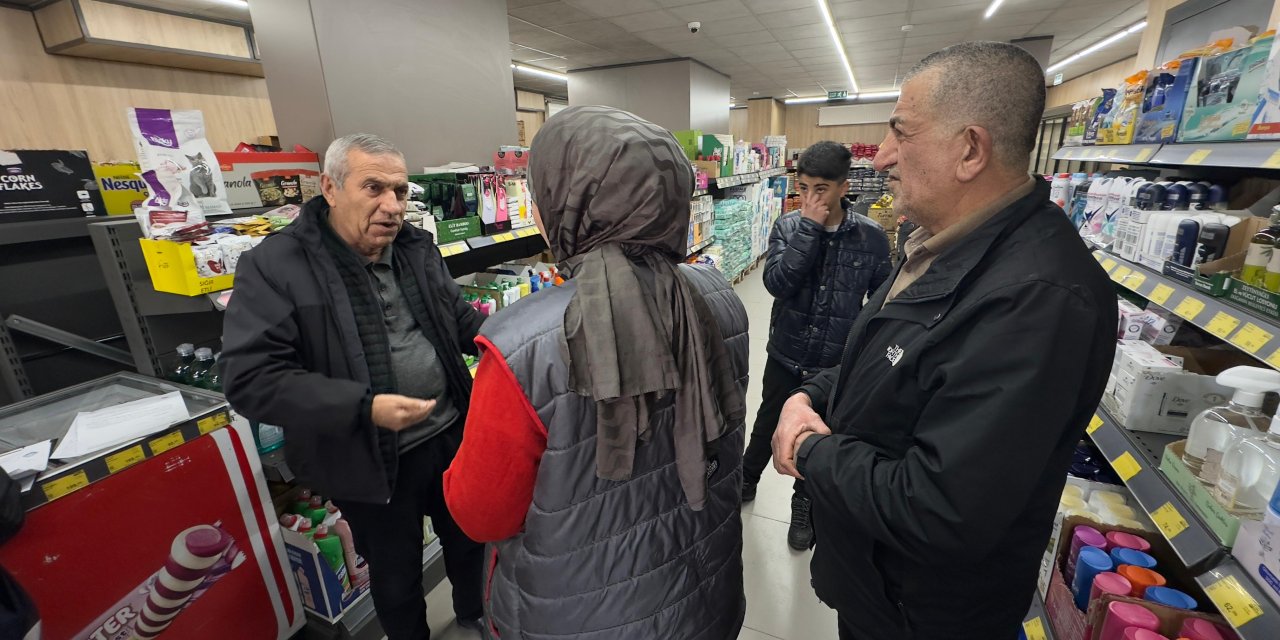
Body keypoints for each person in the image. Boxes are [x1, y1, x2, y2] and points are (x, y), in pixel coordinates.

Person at [770, 42, 1117, 640]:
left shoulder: (1037, 299)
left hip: (922, 613)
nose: (880, 158)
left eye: (901, 133)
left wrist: (809, 452)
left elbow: (940, 508)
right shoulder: (943, 243)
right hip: (880, 587)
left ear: (970, 150)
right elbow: (888, 358)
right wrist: (813, 395)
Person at [442, 106, 750, 640]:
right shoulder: (719, 297)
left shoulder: (520, 348)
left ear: (567, 203)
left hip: (578, 616)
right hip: (704, 590)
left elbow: (481, 515)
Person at [221, 133, 485, 639]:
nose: (391, 205)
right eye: (374, 188)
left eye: (401, 191)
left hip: (450, 433)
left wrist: (512, 344)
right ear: (330, 188)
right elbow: (250, 378)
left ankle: (477, 617)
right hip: (365, 457)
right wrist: (363, 407)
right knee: (395, 574)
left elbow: (458, 317)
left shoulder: (415, 247)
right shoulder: (276, 267)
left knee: (470, 538)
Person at [743, 141, 890, 552]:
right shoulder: (789, 226)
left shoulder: (873, 239)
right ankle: (746, 477)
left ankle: (803, 507)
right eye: (804, 187)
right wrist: (808, 228)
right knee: (767, 421)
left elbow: (881, 305)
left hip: (832, 364)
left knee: (817, 438)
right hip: (786, 351)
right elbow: (777, 284)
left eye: (821, 188)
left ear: (844, 187)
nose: (810, 198)